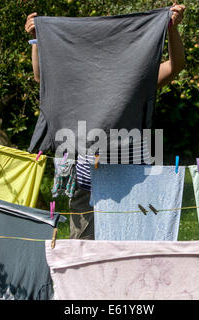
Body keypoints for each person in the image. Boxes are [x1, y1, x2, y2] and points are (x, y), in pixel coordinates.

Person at [24, 4, 186, 240]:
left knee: (132, 245)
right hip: (88, 181)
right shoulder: (79, 76)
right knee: (84, 248)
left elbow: (175, 66)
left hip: (132, 178)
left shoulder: (135, 77)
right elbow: (43, 77)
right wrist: (39, 39)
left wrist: (171, 29)